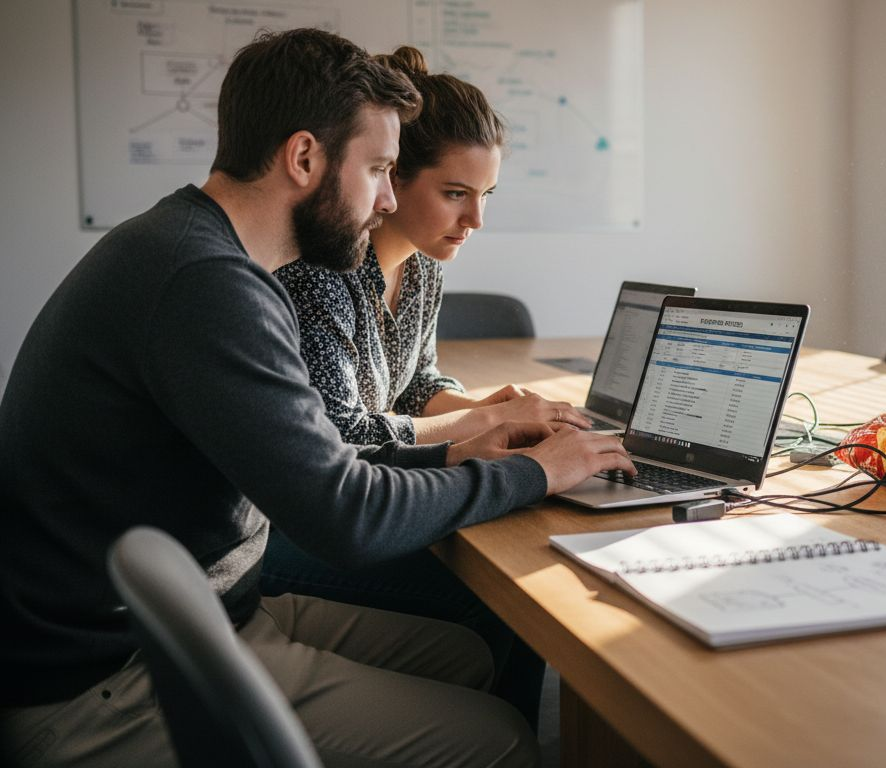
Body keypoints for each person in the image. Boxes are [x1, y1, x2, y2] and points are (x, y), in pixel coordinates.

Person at [0, 28, 633, 768]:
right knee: (500, 743)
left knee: (470, 658)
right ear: (304, 158)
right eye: (378, 170)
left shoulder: (204, 255)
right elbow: (345, 517)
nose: (390, 199)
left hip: (211, 611)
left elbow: (319, 459)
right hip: (107, 685)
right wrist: (538, 473)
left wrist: (463, 447)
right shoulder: (204, 284)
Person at [261, 46, 570, 730]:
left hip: (368, 483)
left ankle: (491, 727)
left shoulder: (425, 267)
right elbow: (344, 434)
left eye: (485, 196)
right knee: (500, 595)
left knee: (511, 576)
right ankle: (488, 733)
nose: (475, 221)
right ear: (393, 176)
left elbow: (415, 386)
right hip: (289, 524)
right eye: (455, 194)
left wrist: (493, 413)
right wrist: (479, 428)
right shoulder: (321, 273)